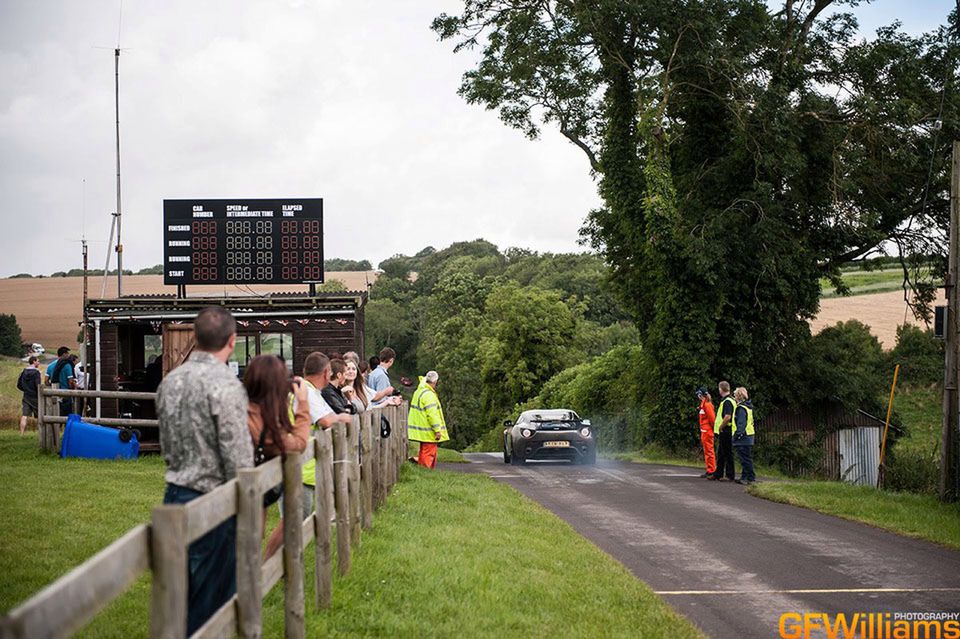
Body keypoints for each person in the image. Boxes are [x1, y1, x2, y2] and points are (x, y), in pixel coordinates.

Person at [155, 307, 253, 635]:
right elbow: (236, 452)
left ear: (196, 338)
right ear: (232, 341)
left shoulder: (170, 381)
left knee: (176, 592)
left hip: (174, 492)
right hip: (213, 499)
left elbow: (166, 439)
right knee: (211, 600)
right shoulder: (226, 384)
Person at [243, 354, 312, 559]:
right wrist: (303, 404)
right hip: (247, 491)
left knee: (253, 538)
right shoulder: (260, 420)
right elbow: (297, 444)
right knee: (250, 541)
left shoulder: (246, 407)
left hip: (248, 488)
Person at [299, 352, 353, 521]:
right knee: (296, 522)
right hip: (301, 465)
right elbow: (325, 420)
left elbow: (329, 414)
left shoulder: (312, 391)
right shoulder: (306, 392)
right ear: (325, 372)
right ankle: (271, 549)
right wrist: (342, 417)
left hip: (308, 464)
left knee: (298, 522)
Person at [407, 371, 448, 469]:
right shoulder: (429, 395)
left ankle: (422, 471)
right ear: (435, 382)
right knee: (429, 454)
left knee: (424, 451)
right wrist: (437, 430)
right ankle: (426, 473)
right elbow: (432, 414)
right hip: (428, 430)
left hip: (421, 429)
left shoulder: (419, 391)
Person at [710, 381, 737, 481]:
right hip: (726, 430)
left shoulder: (727, 401)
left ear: (721, 389)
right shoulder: (730, 400)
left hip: (726, 430)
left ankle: (730, 475)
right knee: (721, 452)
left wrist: (720, 427)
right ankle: (718, 473)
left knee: (727, 453)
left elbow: (727, 417)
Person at [732, 387, 756, 485]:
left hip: (743, 437)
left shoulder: (741, 408)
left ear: (738, 396)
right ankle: (744, 476)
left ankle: (750, 477)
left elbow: (741, 424)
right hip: (749, 435)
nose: (734, 397)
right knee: (746, 458)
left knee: (745, 459)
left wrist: (737, 436)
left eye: (735, 395)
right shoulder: (748, 407)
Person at [46, 346, 76, 415]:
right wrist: (73, 386)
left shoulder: (50, 366)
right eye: (67, 353)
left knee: (56, 413)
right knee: (67, 414)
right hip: (66, 393)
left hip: (55, 392)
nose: (68, 355)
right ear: (64, 354)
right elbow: (70, 381)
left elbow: (46, 381)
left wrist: (52, 386)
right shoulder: (67, 365)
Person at [695, 387, 716, 478]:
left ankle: (712, 470)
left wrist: (712, 430)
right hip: (704, 430)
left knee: (709, 451)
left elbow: (712, 419)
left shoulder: (707, 404)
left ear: (701, 395)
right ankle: (709, 469)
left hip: (707, 431)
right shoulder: (703, 404)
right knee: (707, 451)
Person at [18, 356, 41, 435]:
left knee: (24, 415)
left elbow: (19, 385)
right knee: (39, 415)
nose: (39, 363)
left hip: (26, 396)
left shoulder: (24, 371)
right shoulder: (36, 373)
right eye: (38, 361)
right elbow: (38, 385)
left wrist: (26, 390)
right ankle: (40, 433)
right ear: (34, 361)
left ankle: (21, 433)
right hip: (35, 397)